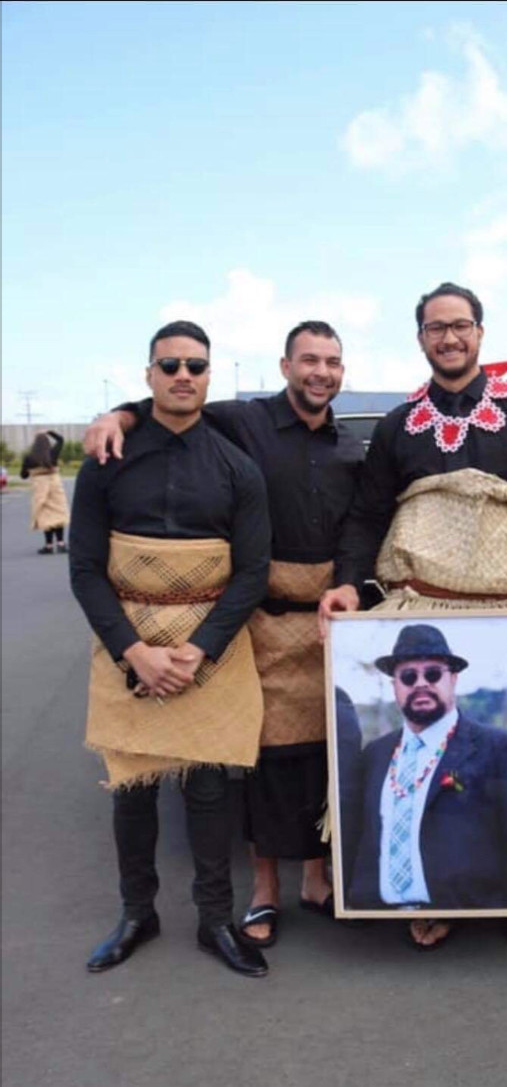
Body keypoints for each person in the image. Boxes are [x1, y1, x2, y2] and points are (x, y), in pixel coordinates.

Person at [320, 282, 507, 956]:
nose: (449, 337)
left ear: (481, 333)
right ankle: (428, 894)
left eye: (461, 326)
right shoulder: (396, 427)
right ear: (420, 338)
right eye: (436, 328)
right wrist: (345, 586)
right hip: (424, 598)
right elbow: (367, 515)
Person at [82, 320, 364, 946]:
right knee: (234, 764)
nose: (321, 371)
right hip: (234, 623)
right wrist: (117, 416)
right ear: (285, 366)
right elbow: (86, 562)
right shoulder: (243, 424)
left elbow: (357, 527)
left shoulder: (347, 446)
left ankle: (288, 892)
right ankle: (219, 901)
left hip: (307, 623)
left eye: (333, 361)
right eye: (309, 360)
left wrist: (347, 581)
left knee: (311, 757)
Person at [70, 320, 272, 977]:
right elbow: (84, 568)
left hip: (205, 649)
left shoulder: (238, 467)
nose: (183, 375)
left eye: (195, 365)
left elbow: (251, 571)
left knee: (209, 786)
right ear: (149, 374)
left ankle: (215, 919)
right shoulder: (106, 463)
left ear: (210, 376)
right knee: (131, 789)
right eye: (170, 365)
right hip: (127, 646)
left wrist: (199, 649)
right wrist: (133, 650)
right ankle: (137, 912)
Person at [346, 624, 507, 916]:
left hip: (468, 925)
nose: (421, 683)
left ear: (453, 679)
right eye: (409, 676)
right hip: (378, 928)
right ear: (395, 686)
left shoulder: (504, 749)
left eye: (433, 673)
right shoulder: (374, 755)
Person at [20, 430, 70, 553]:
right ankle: (61, 543)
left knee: (45, 516)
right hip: (55, 487)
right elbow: (61, 439)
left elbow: (23, 475)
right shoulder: (53, 454)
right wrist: (49, 432)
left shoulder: (29, 458)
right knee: (58, 514)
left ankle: (48, 545)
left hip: (40, 488)